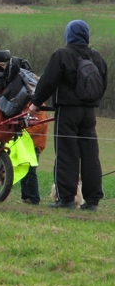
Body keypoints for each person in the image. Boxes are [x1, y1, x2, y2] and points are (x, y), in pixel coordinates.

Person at [29, 20, 107, 211]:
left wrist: (35, 103)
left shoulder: (62, 54)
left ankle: (66, 199)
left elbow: (48, 81)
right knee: (90, 155)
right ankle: (93, 200)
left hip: (67, 111)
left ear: (69, 35)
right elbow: (102, 84)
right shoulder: (97, 57)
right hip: (89, 113)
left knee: (66, 154)